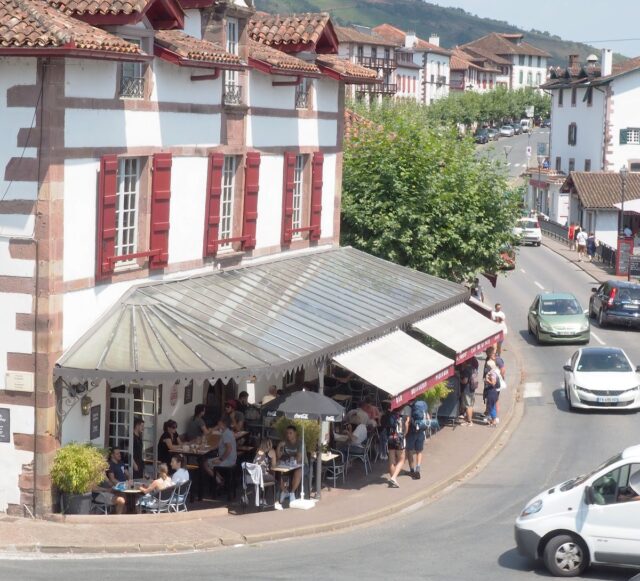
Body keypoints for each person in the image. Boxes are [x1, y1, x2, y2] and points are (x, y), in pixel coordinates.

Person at [383, 403, 410, 488]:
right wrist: (403, 435)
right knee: (402, 460)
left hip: (391, 438)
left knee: (391, 460)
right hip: (399, 439)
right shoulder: (404, 417)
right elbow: (406, 430)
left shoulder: (389, 416)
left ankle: (392, 479)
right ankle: (394, 478)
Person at [275, 425, 303, 505]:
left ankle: (292, 493)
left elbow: (298, 459)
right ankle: (284, 491)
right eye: (287, 433)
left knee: (298, 472)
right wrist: (279, 446)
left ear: (295, 434)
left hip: (301, 465)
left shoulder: (299, 443)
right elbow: (278, 456)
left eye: (290, 433)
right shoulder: (285, 442)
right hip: (288, 465)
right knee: (277, 472)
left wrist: (290, 460)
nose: (288, 435)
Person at [406, 398, 429, 480]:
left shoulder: (409, 407)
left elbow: (408, 421)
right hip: (421, 431)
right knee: (419, 451)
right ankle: (418, 468)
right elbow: (427, 416)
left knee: (409, 451)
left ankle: (412, 470)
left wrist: (405, 432)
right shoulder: (423, 404)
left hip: (412, 431)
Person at [459, 358, 479, 427]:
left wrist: (459, 378)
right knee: (470, 405)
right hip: (472, 388)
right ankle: (468, 419)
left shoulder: (466, 370)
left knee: (468, 406)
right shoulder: (473, 368)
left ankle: (469, 421)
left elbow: (465, 381)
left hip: (467, 389)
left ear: (465, 362)